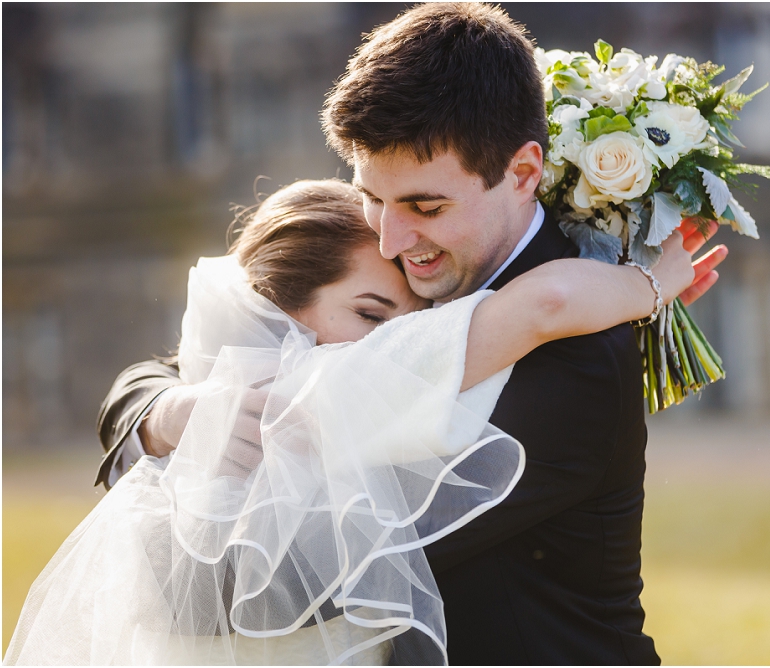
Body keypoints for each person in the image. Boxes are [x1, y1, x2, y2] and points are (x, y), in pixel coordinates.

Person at [93, 4, 728, 664]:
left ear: (523, 173)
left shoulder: (576, 358)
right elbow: (195, 360)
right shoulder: (401, 262)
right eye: (372, 196)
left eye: (426, 206)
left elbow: (307, 580)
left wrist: (143, 569)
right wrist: (166, 417)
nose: (391, 239)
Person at [8, 177, 708, 665]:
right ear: (272, 306)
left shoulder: (407, 386)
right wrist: (166, 416)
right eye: (370, 315)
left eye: (411, 327)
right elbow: (145, 390)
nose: (391, 350)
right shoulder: (252, 392)